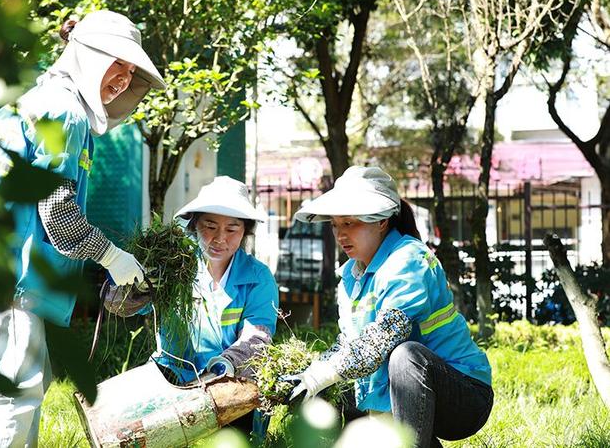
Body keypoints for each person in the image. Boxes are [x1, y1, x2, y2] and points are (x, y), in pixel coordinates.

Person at [0, 10, 165, 447]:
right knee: (18, 386)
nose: (123, 81)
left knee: (30, 380)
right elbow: (58, 213)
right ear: (90, 56)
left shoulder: (58, 103)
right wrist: (112, 257)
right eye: (119, 65)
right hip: (13, 270)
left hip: (14, 263)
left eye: (131, 72)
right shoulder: (64, 111)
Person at [283, 166, 493, 448]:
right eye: (335, 225)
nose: (341, 234)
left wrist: (326, 371)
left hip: (463, 394)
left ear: (381, 221)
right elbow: (349, 345)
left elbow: (385, 336)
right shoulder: (350, 275)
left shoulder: (409, 259)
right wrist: (313, 371)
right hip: (400, 394)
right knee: (326, 385)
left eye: (350, 223)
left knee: (405, 356)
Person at [157, 176, 279, 438]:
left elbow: (257, 337)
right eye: (210, 226)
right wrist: (132, 287)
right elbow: (125, 306)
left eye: (232, 229)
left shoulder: (258, 278)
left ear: (244, 231)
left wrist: (224, 365)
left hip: (229, 383)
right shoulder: (174, 268)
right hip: (172, 378)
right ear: (195, 225)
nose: (219, 238)